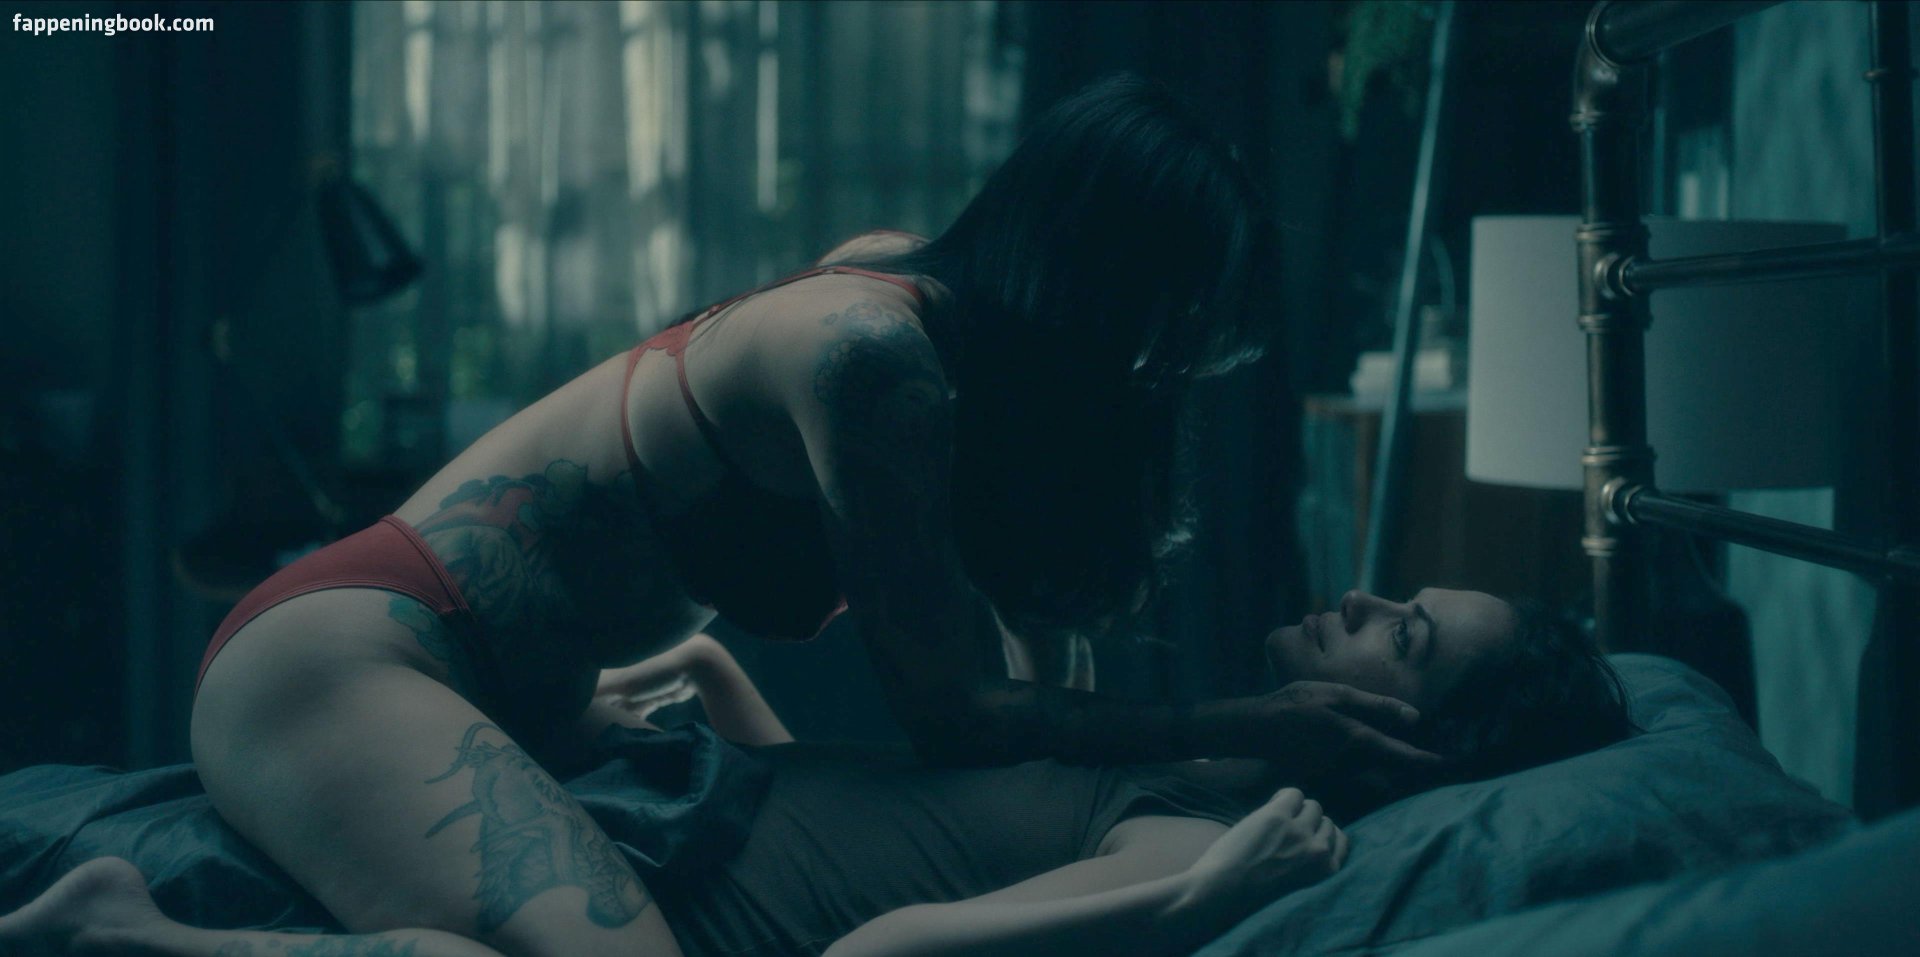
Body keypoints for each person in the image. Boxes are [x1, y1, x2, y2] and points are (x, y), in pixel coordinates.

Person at [163, 71, 1449, 957]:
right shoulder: (870, 358)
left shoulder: (944, 331)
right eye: (1159, 340)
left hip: (498, 690)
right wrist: (1244, 724)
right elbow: (956, 714)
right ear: (1098, 283)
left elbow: (1021, 666)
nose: (1152, 376)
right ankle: (127, 933)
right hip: (352, 656)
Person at [0, 588, 1635, 957]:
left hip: (637, 894)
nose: (1366, 600)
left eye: (1408, 636)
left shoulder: (1212, 833)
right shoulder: (1194, 757)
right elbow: (892, 831)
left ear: (1418, 742)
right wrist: (719, 679)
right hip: (650, 800)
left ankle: (128, 936)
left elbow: (872, 944)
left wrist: (1194, 901)